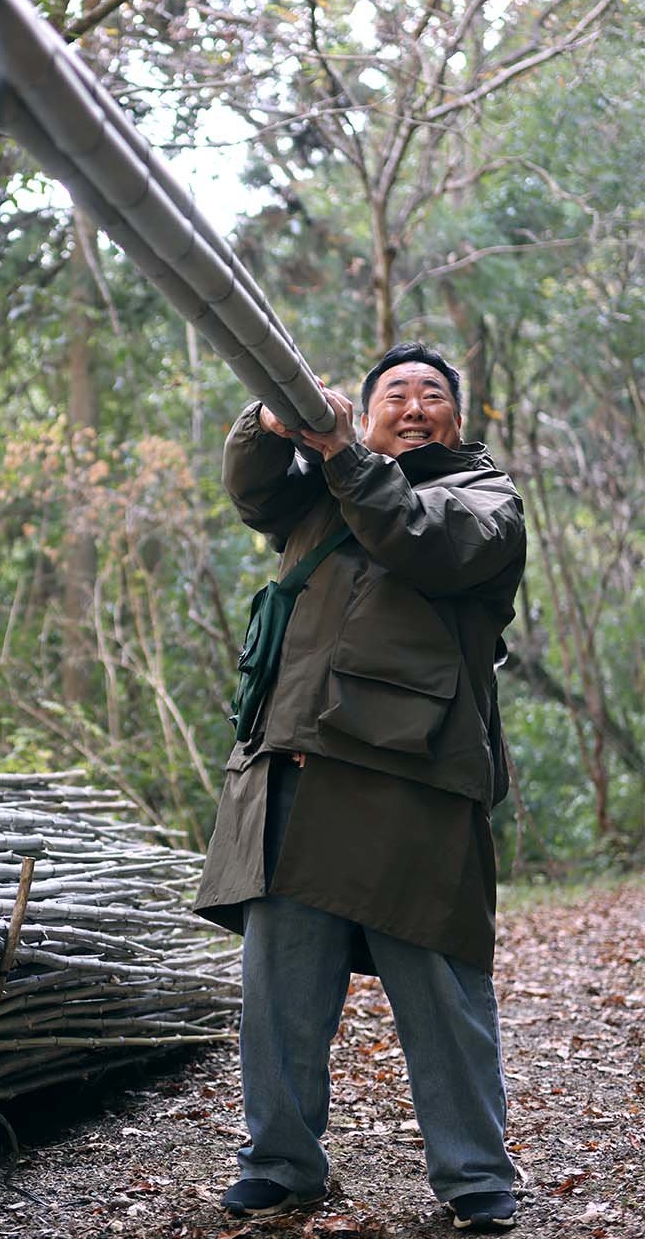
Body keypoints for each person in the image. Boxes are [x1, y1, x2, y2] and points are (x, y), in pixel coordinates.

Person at [195, 342, 526, 1234]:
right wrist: (270, 425)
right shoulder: (320, 491)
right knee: (279, 991)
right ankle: (281, 1162)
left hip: (415, 781)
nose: (413, 407)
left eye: (432, 395)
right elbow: (256, 489)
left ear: (458, 417)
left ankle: (474, 1174)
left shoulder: (485, 501)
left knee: (441, 989)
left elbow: (423, 542)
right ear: (370, 410)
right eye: (393, 395)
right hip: (296, 765)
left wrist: (347, 453)